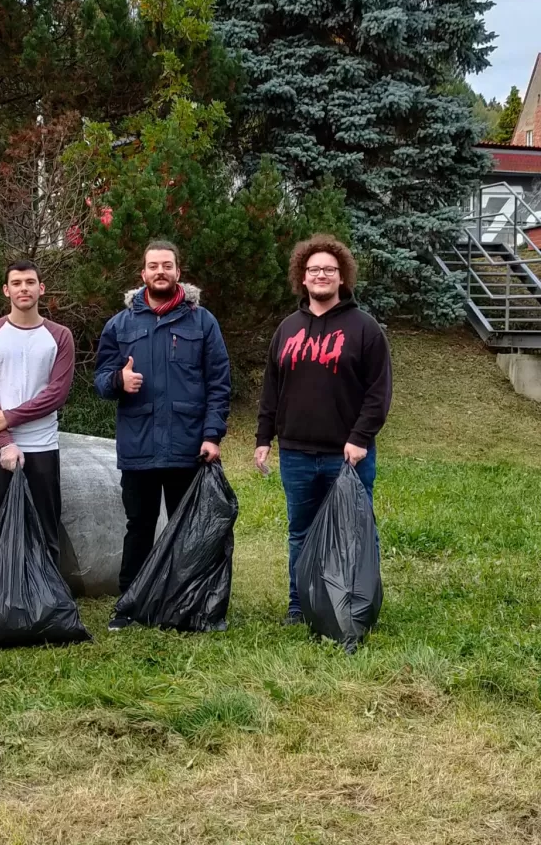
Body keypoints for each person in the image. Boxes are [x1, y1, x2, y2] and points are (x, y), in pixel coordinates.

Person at [254, 234, 392, 625]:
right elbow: (272, 389)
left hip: (347, 456)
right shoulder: (287, 329)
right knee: (300, 532)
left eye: (329, 270)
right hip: (296, 454)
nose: (321, 275)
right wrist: (264, 439)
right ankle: (301, 606)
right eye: (313, 269)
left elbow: (378, 392)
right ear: (302, 277)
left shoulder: (365, 329)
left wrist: (360, 438)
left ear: (342, 277)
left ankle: (355, 608)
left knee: (356, 532)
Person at [94, 240, 232, 630]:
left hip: (188, 446)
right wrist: (118, 381)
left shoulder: (202, 322)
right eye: (153, 266)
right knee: (139, 526)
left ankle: (185, 603)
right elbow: (100, 380)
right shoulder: (120, 325)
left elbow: (219, 383)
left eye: (167, 265)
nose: (160, 271)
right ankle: (129, 604)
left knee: (187, 528)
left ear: (178, 272)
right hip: (138, 445)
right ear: (143, 273)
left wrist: (212, 435)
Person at [0, 259, 75, 563]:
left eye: (30, 282)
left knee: (45, 532)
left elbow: (56, 394)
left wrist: (10, 417)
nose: (23, 288)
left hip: (41, 444)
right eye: (16, 283)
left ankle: (47, 592)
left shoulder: (60, 336)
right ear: (6, 290)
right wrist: (5, 441)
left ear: (41, 288)